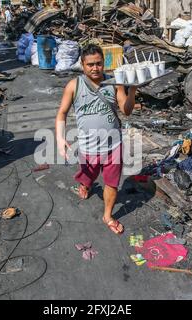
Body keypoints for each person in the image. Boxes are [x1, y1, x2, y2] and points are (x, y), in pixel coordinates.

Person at [55, 44, 137, 235]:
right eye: (90, 64)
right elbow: (62, 113)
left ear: (104, 63)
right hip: (88, 146)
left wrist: (132, 90)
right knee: (89, 175)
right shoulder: (74, 85)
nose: (95, 68)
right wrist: (60, 138)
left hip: (113, 144)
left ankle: (107, 215)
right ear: (82, 65)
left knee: (112, 182)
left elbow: (126, 110)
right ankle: (85, 184)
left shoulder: (114, 82)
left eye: (98, 63)